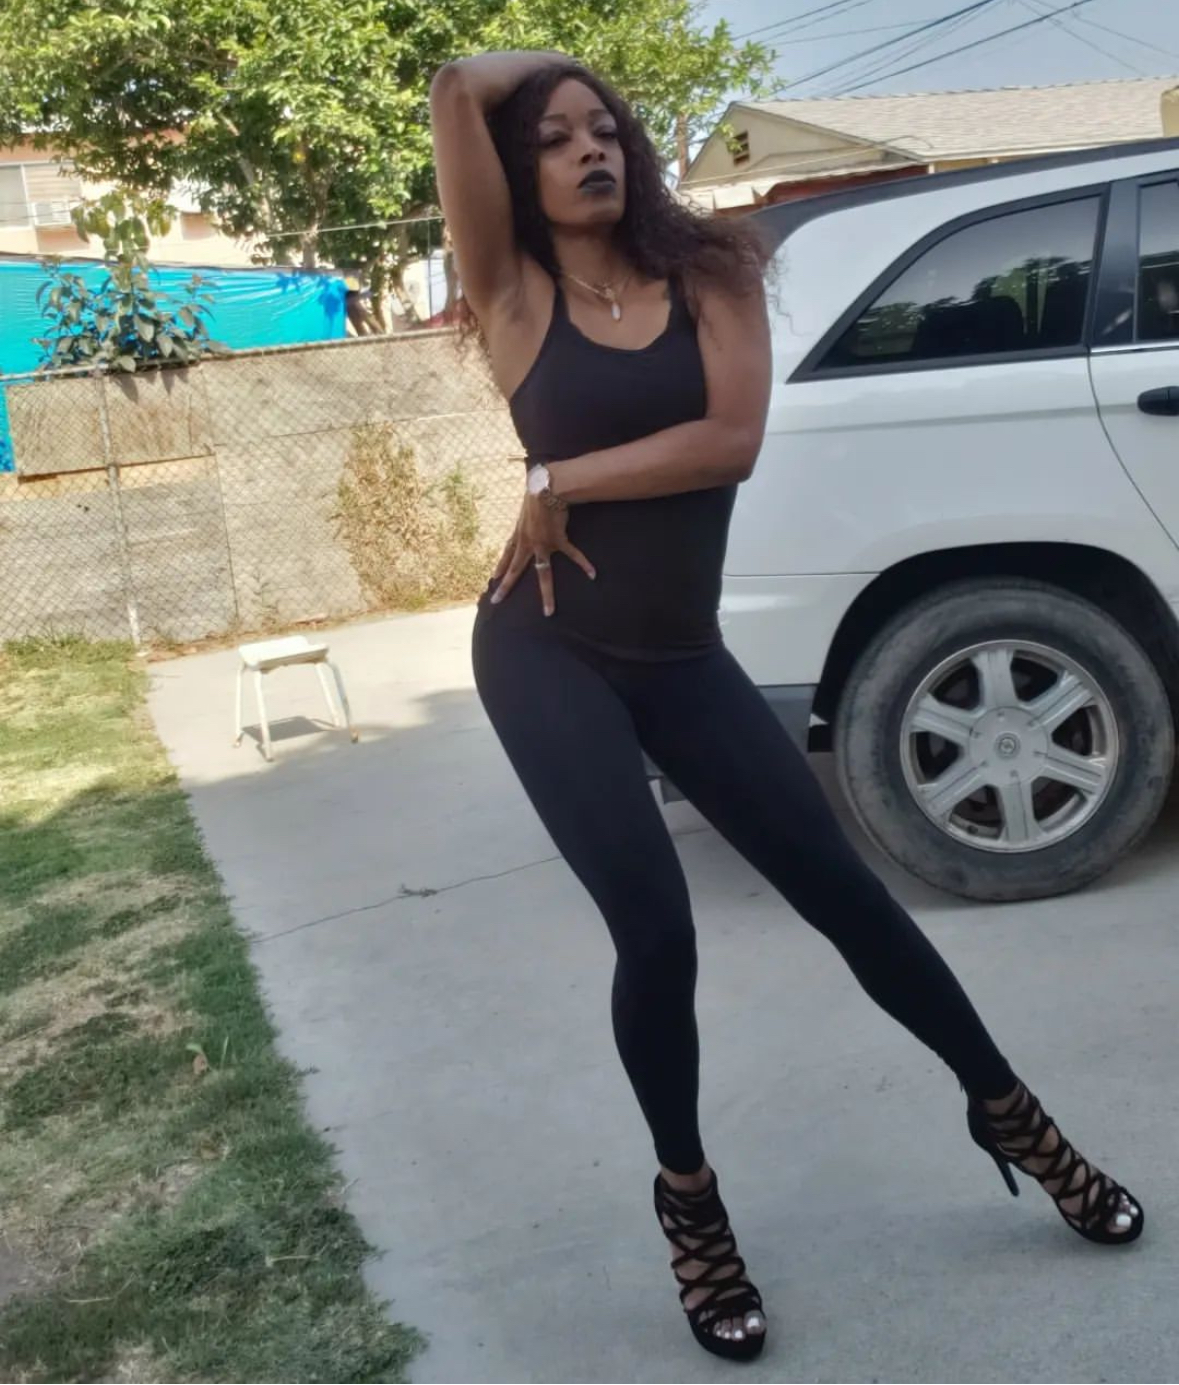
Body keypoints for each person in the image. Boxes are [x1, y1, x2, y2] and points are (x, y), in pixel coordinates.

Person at [429, 51, 1144, 1363]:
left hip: (681, 655)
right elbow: (453, 87)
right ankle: (692, 1205)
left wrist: (559, 477)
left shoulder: (712, 272)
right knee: (657, 930)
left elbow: (731, 442)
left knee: (853, 900)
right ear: (520, 174)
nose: (590, 149)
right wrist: (549, 66)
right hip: (545, 651)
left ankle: (1009, 1112)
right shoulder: (513, 294)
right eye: (557, 138)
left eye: (607, 128)